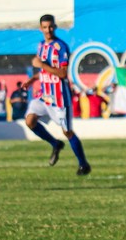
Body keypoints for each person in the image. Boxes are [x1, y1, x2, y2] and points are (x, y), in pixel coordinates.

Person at [24, 14, 91, 176]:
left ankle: (83, 164)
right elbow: (43, 71)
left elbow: (61, 73)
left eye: (51, 26)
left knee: (67, 132)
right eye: (45, 27)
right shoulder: (41, 46)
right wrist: (33, 79)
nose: (48, 30)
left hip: (60, 98)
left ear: (55, 26)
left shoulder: (61, 47)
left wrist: (42, 64)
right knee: (30, 121)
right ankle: (55, 144)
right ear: (41, 28)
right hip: (44, 94)